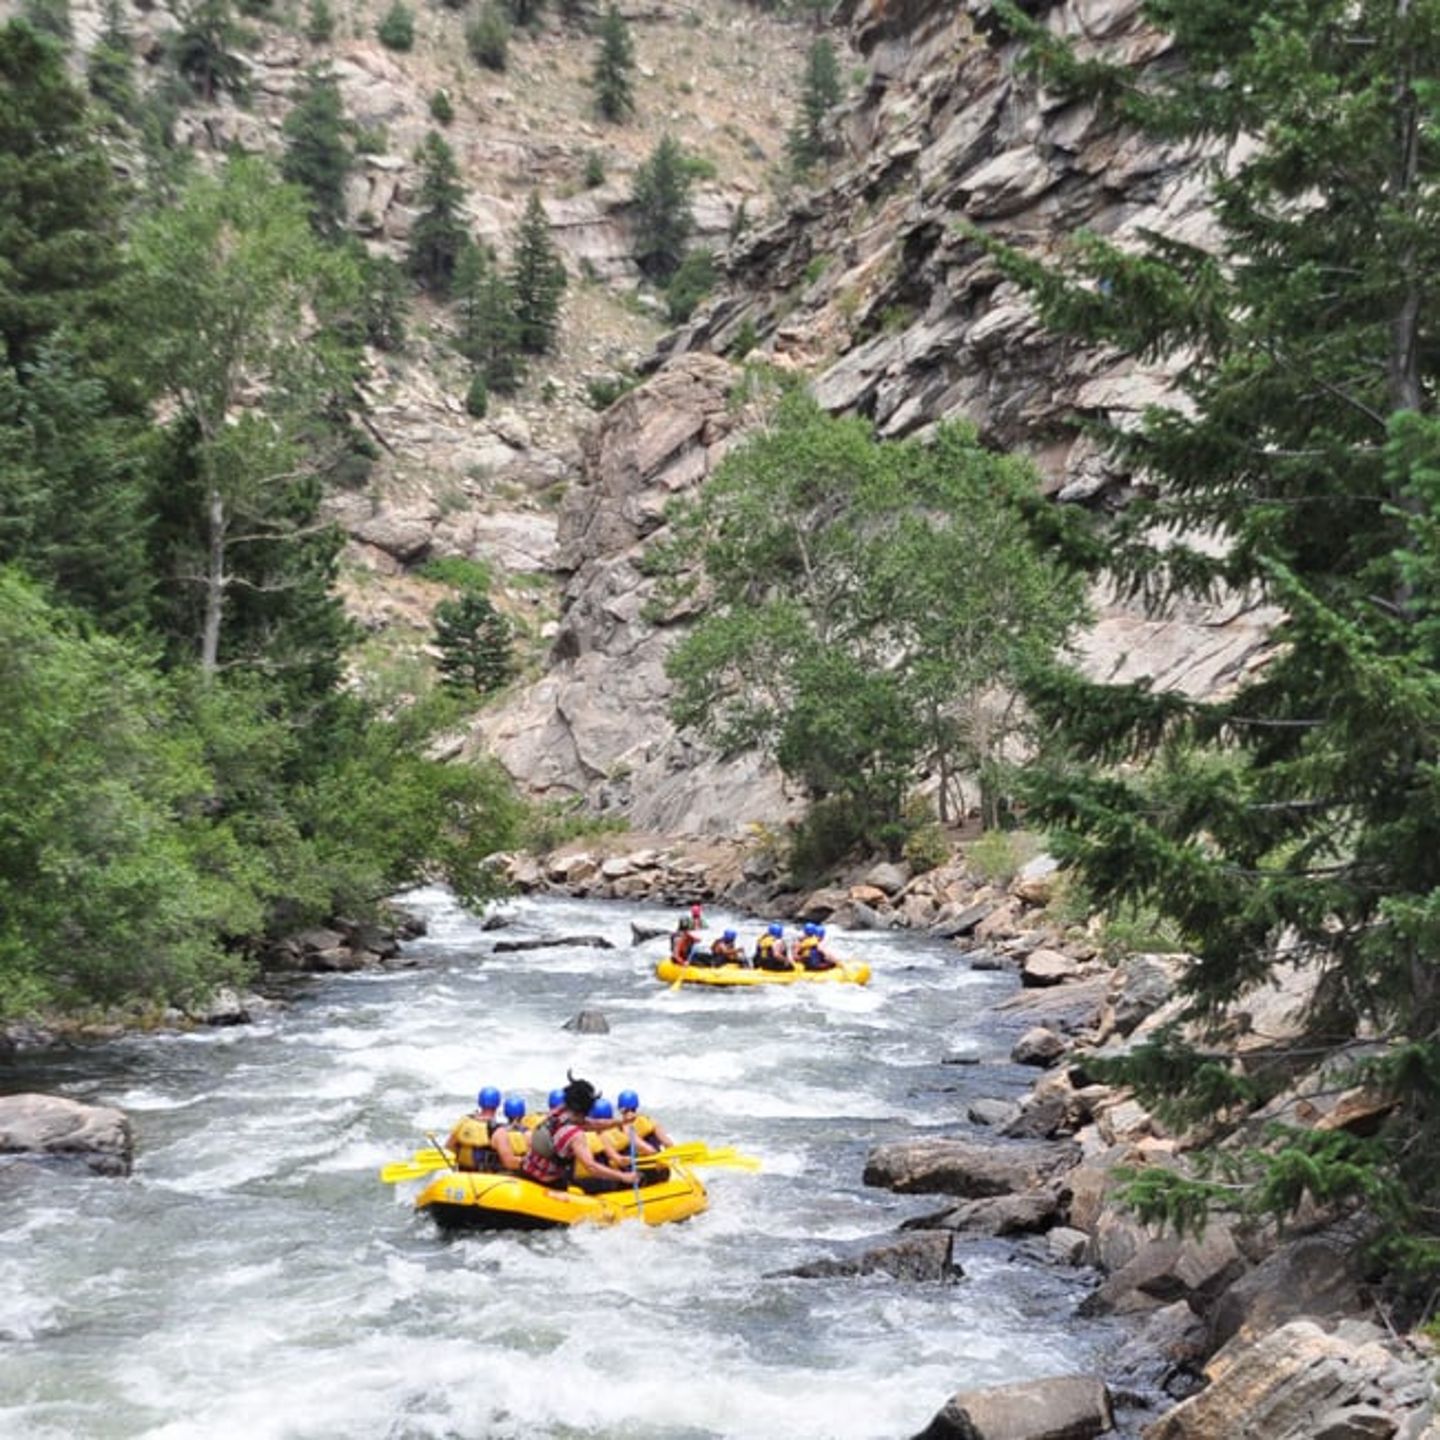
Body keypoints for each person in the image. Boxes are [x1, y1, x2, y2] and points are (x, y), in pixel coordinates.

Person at [520, 1074, 637, 1192]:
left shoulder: (558, 1112)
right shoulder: (575, 1135)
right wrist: (623, 1177)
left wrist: (622, 1122)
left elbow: (593, 1124)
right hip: (549, 1183)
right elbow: (591, 1167)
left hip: (526, 1171)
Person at [570, 1098, 639, 1193]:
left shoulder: (571, 1133)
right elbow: (616, 1159)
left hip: (575, 1180)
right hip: (597, 1180)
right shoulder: (604, 1134)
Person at [446, 1085, 503, 1172]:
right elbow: (507, 1160)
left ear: (480, 1102)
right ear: (498, 1104)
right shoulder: (498, 1130)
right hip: (487, 1178)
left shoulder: (463, 1123)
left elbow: (449, 1148)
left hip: (462, 1174)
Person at [617, 1089, 673, 1153]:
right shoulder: (647, 1120)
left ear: (620, 1109)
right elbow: (668, 1143)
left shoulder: (625, 1128)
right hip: (654, 1154)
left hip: (649, 1157)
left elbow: (644, 1147)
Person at [489, 1093, 530, 1171]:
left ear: (505, 1112)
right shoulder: (530, 1135)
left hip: (497, 1176)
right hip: (522, 1178)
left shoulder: (498, 1134)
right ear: (523, 1113)